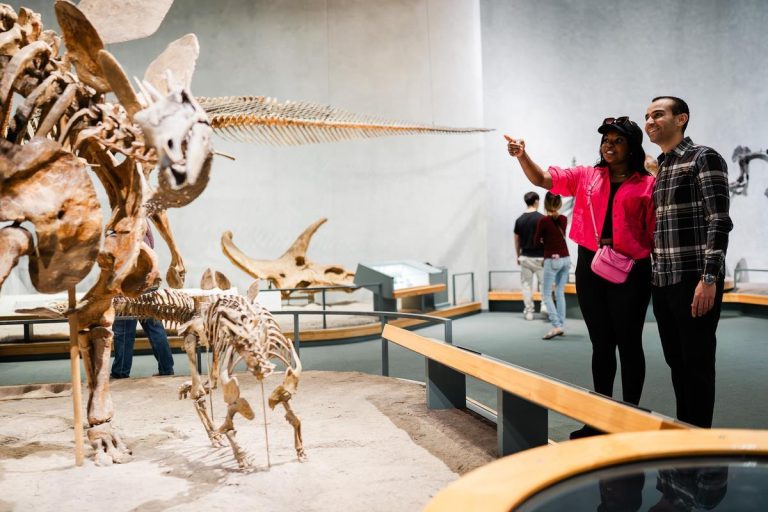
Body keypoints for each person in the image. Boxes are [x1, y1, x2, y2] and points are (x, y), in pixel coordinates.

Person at [505, 116, 655, 439]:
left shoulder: (647, 184)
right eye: (606, 140)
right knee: (601, 344)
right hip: (591, 266)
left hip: (632, 270)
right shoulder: (587, 176)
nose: (609, 145)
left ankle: (630, 418)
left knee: (629, 344)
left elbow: (655, 232)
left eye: (618, 140)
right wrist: (522, 156)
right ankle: (598, 419)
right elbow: (543, 179)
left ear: (632, 147)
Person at [644, 96, 733, 428]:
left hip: (694, 279)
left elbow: (718, 220)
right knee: (677, 363)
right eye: (647, 116)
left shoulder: (704, 157)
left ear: (681, 119)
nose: (649, 121)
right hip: (663, 281)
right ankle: (686, 432)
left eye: (657, 114)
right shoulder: (663, 167)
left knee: (696, 364)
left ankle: (699, 442)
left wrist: (709, 278)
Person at [110, 221, 175, 378]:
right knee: (154, 326)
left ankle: (120, 372)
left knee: (124, 329)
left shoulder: (128, 219)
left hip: (130, 282)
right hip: (147, 280)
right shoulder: (144, 220)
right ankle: (166, 368)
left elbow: (132, 243)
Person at [534, 192, 569, 340]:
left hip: (552, 259)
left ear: (545, 203)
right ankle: (560, 324)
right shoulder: (564, 219)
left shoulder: (543, 221)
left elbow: (536, 242)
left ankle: (556, 325)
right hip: (566, 258)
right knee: (560, 292)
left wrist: (544, 241)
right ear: (560, 204)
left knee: (546, 294)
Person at [513, 191, 547, 321]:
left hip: (525, 257)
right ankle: (544, 306)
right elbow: (547, 239)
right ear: (536, 201)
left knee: (526, 285)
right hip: (540, 257)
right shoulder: (542, 219)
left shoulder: (519, 220)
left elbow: (517, 240)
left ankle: (529, 311)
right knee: (544, 284)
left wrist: (518, 256)